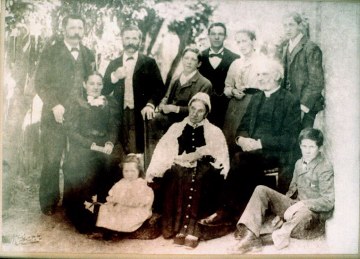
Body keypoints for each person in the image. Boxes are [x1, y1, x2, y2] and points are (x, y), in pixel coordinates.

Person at [201, 57, 301, 227]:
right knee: (231, 159)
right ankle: (231, 213)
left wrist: (260, 143)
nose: (260, 78)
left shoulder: (290, 100)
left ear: (277, 76)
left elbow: (290, 139)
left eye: (265, 74)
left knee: (241, 161)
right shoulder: (256, 99)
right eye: (258, 74)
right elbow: (243, 126)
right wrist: (241, 139)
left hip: (277, 153)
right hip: (253, 151)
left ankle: (229, 213)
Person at [146, 92, 229, 248]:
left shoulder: (214, 131)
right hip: (179, 164)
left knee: (198, 176)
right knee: (178, 174)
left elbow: (220, 156)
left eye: (200, 111)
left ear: (206, 113)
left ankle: (193, 230)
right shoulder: (177, 128)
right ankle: (179, 229)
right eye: (192, 109)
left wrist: (199, 155)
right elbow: (164, 150)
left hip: (205, 167)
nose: (195, 114)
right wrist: (178, 160)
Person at [232, 128, 334, 254]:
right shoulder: (299, 163)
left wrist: (302, 204)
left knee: (303, 214)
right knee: (261, 189)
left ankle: (266, 238)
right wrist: (281, 213)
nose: (307, 151)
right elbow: (292, 191)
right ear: (300, 146)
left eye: (311, 147)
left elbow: (328, 201)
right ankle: (251, 233)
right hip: (296, 207)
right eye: (304, 146)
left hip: (312, 216)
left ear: (320, 147)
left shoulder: (324, 167)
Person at [34, 14, 95, 215]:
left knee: (75, 159)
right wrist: (54, 105)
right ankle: (49, 203)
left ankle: (71, 202)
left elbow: (91, 82)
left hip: (79, 117)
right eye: (72, 27)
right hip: (54, 115)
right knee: (52, 158)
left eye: (80, 27)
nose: (76, 31)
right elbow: (40, 83)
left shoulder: (88, 53)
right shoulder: (51, 52)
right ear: (64, 29)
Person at [63, 71, 123, 233]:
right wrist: (91, 145)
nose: (95, 87)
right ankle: (84, 218)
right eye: (92, 83)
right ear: (84, 84)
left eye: (99, 84)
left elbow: (113, 126)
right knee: (83, 166)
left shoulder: (109, 102)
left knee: (112, 162)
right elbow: (71, 131)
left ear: (103, 86)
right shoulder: (77, 102)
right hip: (83, 145)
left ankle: (106, 217)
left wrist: (110, 142)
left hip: (104, 143)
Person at [102, 25, 165, 155]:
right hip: (119, 114)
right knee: (119, 148)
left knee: (139, 149)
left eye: (134, 38)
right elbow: (104, 89)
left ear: (140, 41)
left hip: (141, 113)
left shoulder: (149, 62)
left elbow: (159, 88)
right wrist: (115, 76)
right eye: (127, 38)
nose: (130, 41)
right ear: (122, 40)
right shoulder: (114, 63)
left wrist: (150, 104)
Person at [146, 47, 212, 164]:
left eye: (193, 59)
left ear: (199, 63)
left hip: (189, 120)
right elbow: (166, 97)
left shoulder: (204, 83)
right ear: (182, 60)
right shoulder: (176, 78)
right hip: (170, 118)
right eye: (186, 58)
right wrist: (161, 106)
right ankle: (153, 165)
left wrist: (175, 109)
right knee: (153, 120)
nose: (189, 62)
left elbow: (199, 110)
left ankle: (171, 167)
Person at [279, 12, 325, 128]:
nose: (287, 29)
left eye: (291, 25)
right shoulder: (286, 47)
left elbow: (316, 82)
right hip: (290, 104)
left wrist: (303, 107)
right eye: (285, 25)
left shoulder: (310, 47)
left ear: (299, 26)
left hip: (307, 105)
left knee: (304, 139)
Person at [223, 30, 261, 155]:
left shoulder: (264, 62)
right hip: (235, 109)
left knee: (249, 143)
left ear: (253, 41)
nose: (241, 45)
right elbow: (227, 88)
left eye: (244, 41)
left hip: (256, 105)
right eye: (238, 42)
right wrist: (233, 91)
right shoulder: (235, 64)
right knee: (231, 143)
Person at [96, 154, 154, 234]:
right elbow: (113, 194)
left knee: (129, 215)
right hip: (122, 206)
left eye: (132, 171)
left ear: (139, 171)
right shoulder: (121, 182)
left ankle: (120, 230)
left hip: (135, 208)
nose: (129, 174)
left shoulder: (140, 184)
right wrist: (112, 200)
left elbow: (139, 202)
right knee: (104, 208)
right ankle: (110, 230)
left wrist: (122, 201)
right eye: (126, 171)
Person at [198, 22, 239, 128]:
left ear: (225, 36)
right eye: (213, 34)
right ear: (208, 36)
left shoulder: (235, 58)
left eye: (220, 34)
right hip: (203, 105)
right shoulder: (200, 56)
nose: (216, 37)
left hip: (226, 107)